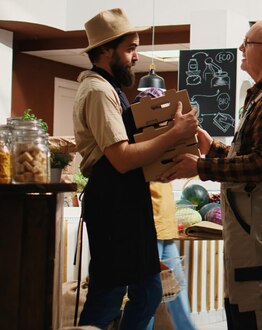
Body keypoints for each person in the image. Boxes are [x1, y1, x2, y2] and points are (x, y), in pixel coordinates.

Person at [161, 20, 262, 329]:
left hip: (255, 215)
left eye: (247, 43)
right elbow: (249, 158)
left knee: (255, 306)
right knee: (240, 300)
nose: (240, 49)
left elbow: (261, 165)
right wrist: (211, 147)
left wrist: (200, 166)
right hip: (247, 213)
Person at [73, 8, 198, 329]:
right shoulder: (99, 91)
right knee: (111, 293)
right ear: (104, 50)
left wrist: (166, 163)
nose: (135, 57)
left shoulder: (110, 88)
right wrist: (176, 133)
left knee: (146, 291)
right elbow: (122, 158)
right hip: (114, 206)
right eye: (129, 49)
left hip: (125, 201)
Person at [133, 88, 196, 330]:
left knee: (172, 291)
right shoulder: (144, 144)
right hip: (150, 226)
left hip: (164, 226)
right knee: (154, 294)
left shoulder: (162, 141)